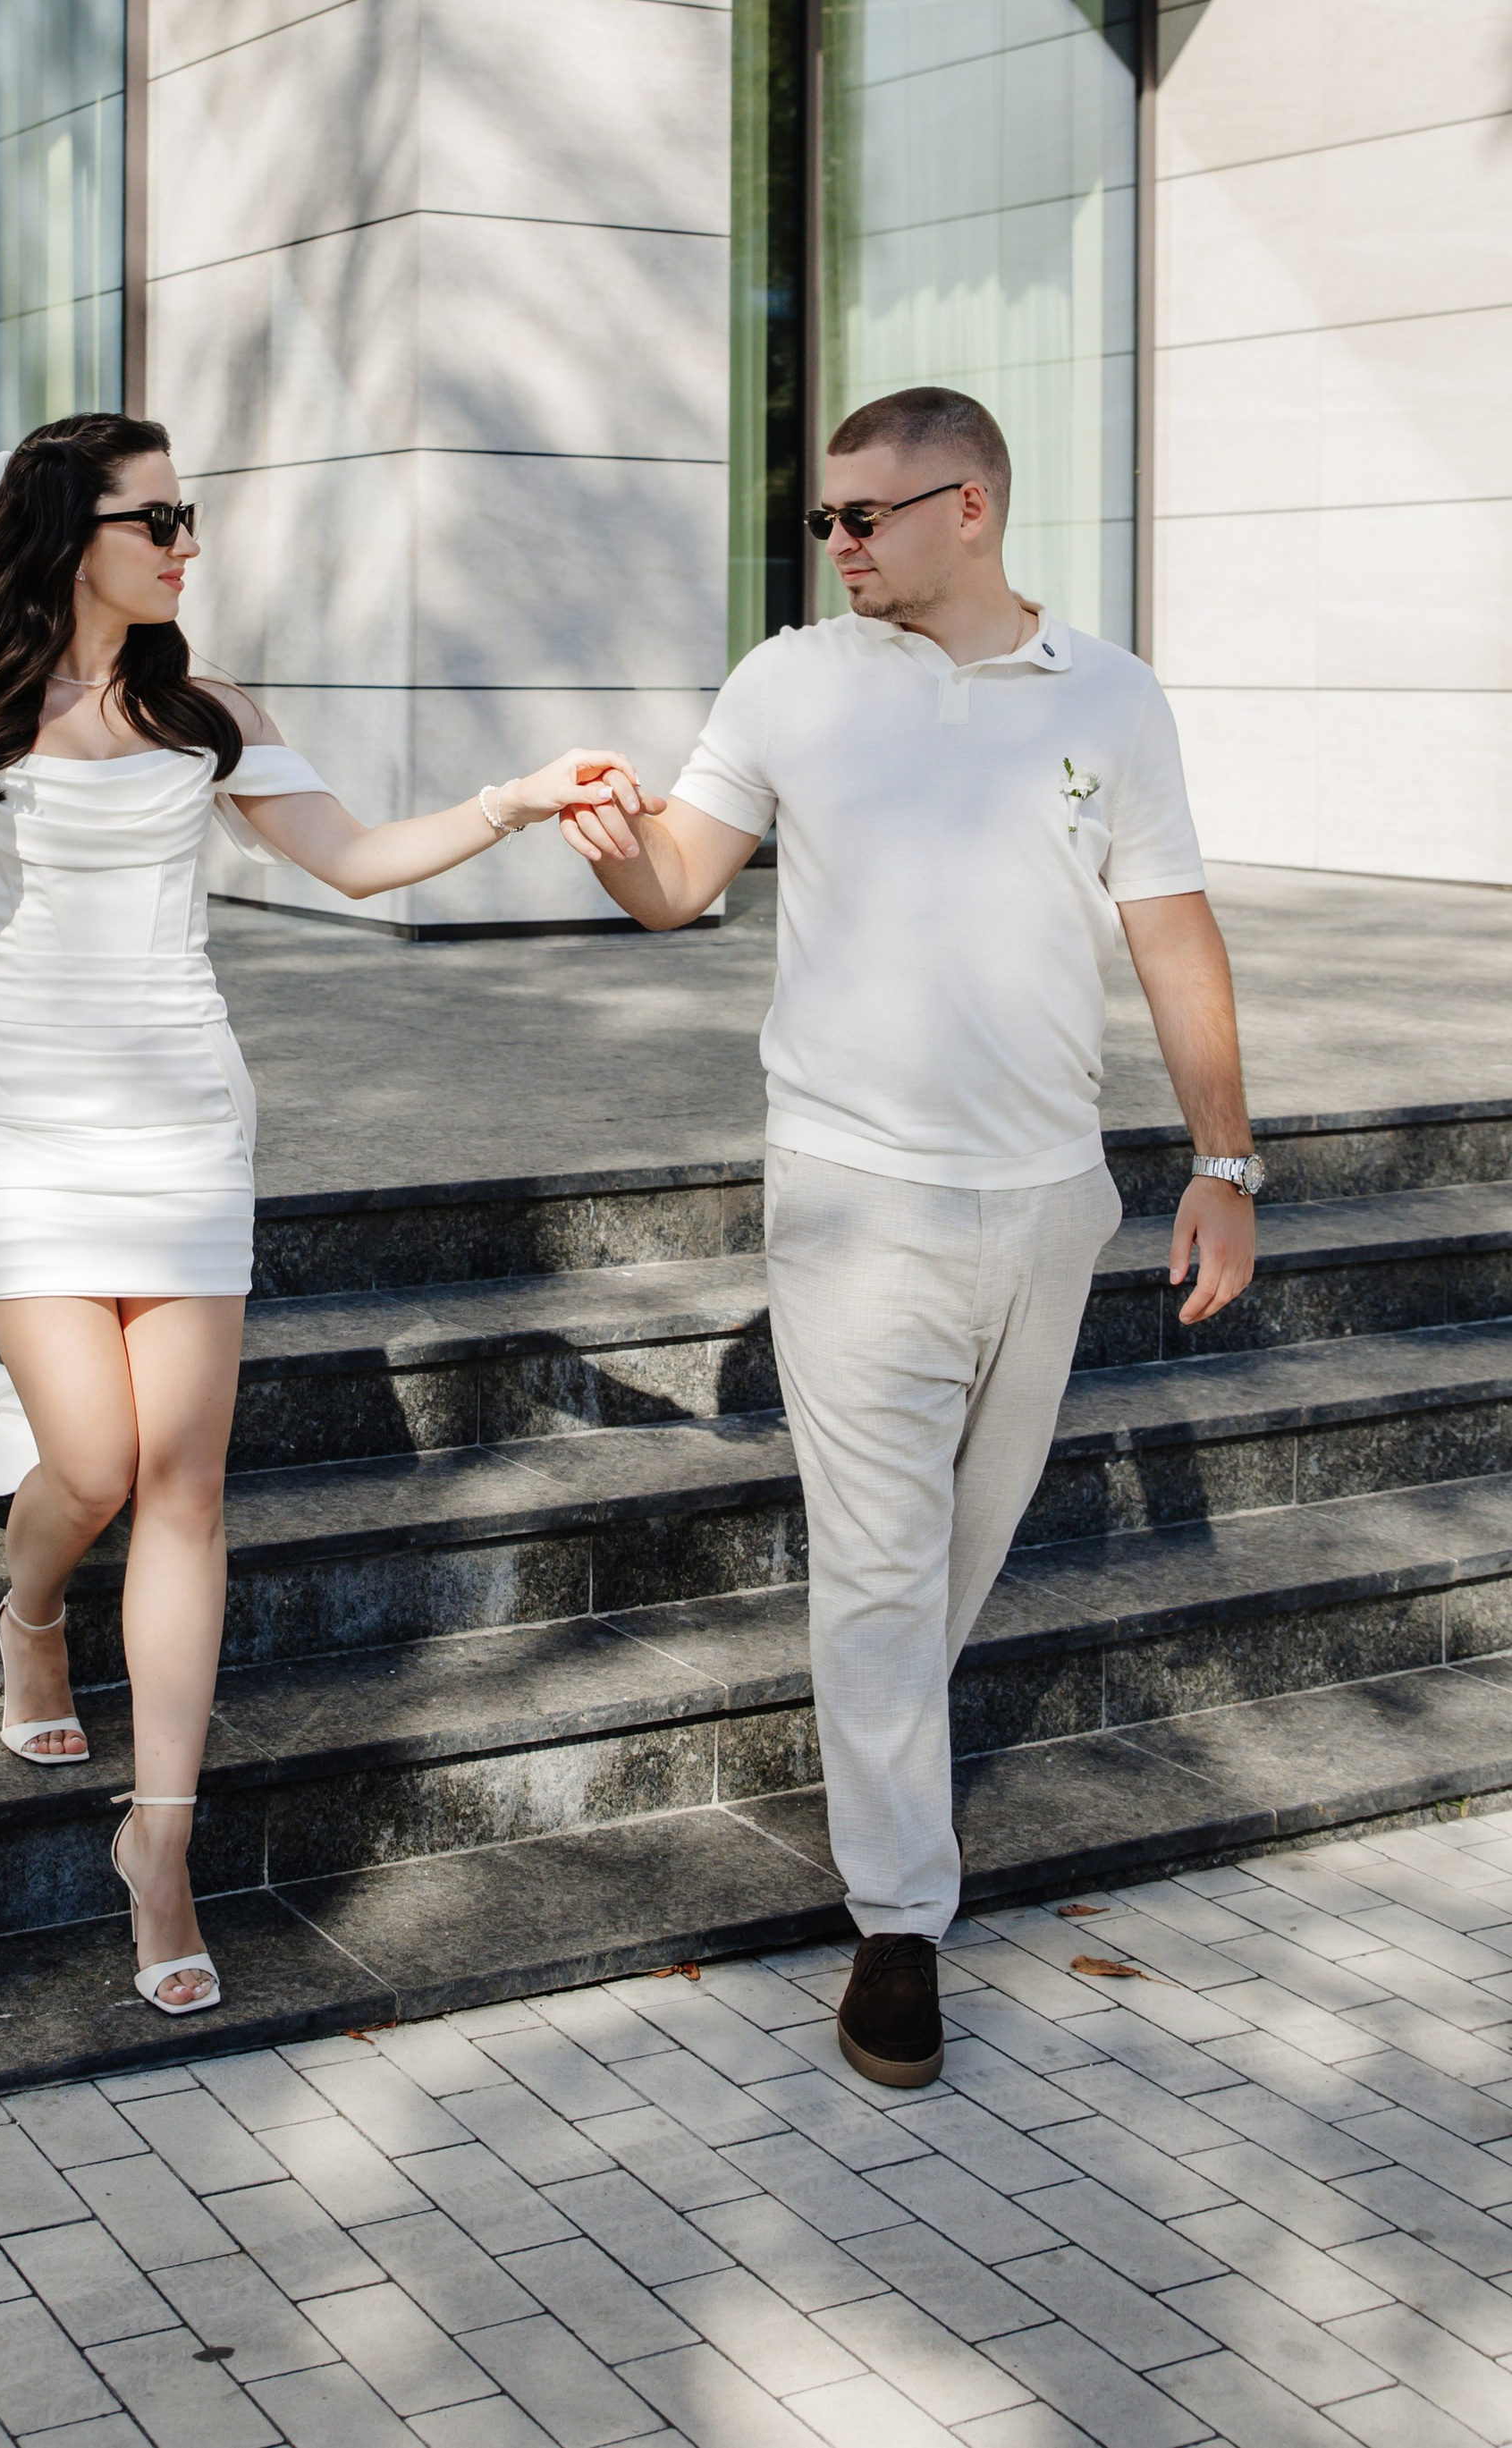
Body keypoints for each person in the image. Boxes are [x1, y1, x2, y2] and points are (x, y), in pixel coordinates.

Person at [0, 411, 644, 2018]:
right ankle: (32, 1606)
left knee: (186, 1484)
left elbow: (358, 859)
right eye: (159, 518)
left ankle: (161, 1841)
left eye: (190, 517)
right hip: (24, 1126)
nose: (188, 542)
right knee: (96, 1463)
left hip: (186, 1124)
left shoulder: (209, 713)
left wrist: (521, 797)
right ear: (72, 536)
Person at [583, 385, 1259, 2092]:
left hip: (1048, 1195)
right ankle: (901, 1924)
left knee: (958, 1543)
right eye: (827, 520)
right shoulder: (791, 680)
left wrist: (1226, 1160)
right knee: (881, 1554)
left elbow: (1173, 935)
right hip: (850, 1189)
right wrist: (613, 844)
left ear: (974, 508)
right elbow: (678, 883)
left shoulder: (1111, 696)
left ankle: (874, 1740)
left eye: (868, 516)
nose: (841, 544)